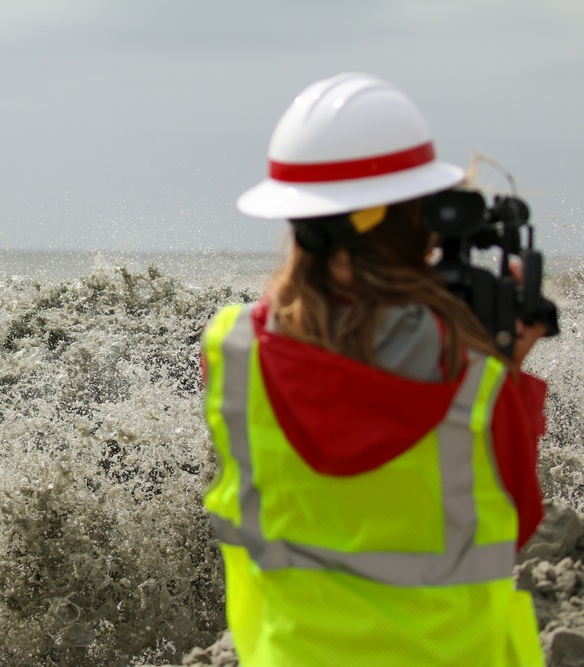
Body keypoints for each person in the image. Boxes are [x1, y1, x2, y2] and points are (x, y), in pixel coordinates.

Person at [201, 73, 550, 665]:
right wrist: (507, 371)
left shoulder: (233, 352)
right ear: (417, 219)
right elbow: (514, 521)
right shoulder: (473, 383)